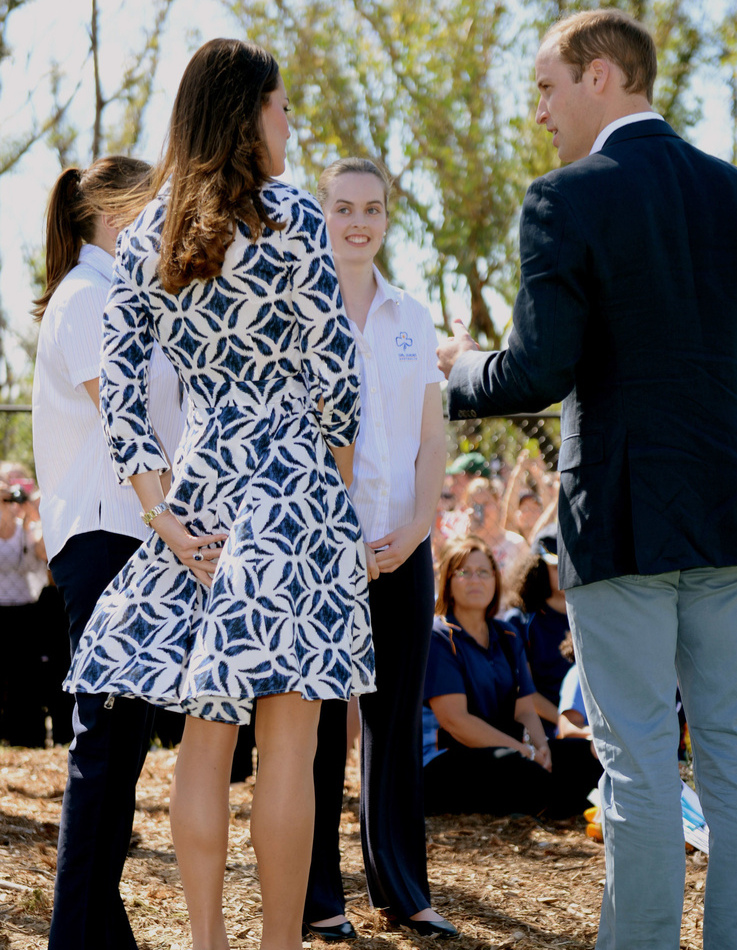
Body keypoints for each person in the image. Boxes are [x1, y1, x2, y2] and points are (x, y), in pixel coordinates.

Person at [437, 9, 737, 949]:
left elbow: (534, 371)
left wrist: (452, 371)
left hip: (626, 514)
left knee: (636, 760)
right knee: (730, 750)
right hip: (727, 509)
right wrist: (698, 384)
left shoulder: (567, 198)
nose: (541, 112)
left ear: (603, 76)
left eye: (549, 88)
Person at [63, 40, 374, 950]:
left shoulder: (153, 228)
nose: (291, 125)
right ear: (248, 113)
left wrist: (161, 511)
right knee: (289, 742)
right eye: (281, 107)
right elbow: (335, 375)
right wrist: (337, 487)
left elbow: (122, 396)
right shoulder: (293, 219)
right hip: (293, 487)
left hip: (198, 492)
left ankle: (206, 944)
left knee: (204, 738)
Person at [31, 155, 185, 949]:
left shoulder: (117, 297)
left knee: (118, 749)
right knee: (107, 746)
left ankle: (95, 932)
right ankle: (75, 936)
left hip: (132, 536)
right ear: (120, 214)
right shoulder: (91, 298)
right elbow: (126, 420)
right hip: (111, 536)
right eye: (156, 205)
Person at [303, 157, 451, 941]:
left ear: (389, 218)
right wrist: (343, 539)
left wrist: (418, 528)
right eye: (342, 208)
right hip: (321, 552)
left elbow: (432, 437)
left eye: (372, 209)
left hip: (405, 544)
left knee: (395, 725)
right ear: (321, 213)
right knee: (323, 725)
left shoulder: (412, 318)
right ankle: (318, 896)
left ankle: (403, 890)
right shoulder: (299, 309)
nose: (358, 221)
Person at [422, 536, 601, 818]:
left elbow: (525, 709)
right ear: (448, 581)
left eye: (484, 572)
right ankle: (554, 801)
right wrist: (522, 750)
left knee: (587, 755)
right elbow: (455, 722)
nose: (475, 580)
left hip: (511, 752)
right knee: (517, 770)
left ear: (495, 580)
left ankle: (552, 800)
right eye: (464, 572)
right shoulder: (439, 637)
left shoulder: (507, 635)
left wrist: (541, 748)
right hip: (449, 760)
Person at [503, 525, 572, 737]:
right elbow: (523, 692)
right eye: (555, 566)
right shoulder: (520, 621)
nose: (565, 572)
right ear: (537, 569)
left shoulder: (593, 616)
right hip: (543, 732)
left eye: (571, 564)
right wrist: (566, 723)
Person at [0, 470, 49, 747]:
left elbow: (44, 553)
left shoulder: (28, 528)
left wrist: (33, 514)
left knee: (25, 678)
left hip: (25, 610)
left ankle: (26, 737)